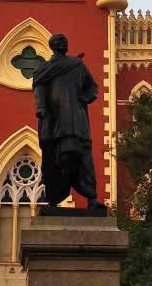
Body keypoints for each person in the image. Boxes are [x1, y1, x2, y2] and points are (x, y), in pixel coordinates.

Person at [31, 33, 104, 209]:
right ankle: (54, 198)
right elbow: (39, 89)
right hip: (55, 120)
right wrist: (41, 109)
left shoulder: (78, 65)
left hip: (77, 119)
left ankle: (91, 198)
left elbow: (92, 87)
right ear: (52, 46)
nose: (63, 42)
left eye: (65, 40)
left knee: (83, 155)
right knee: (54, 158)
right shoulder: (45, 68)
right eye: (59, 41)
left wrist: (83, 99)